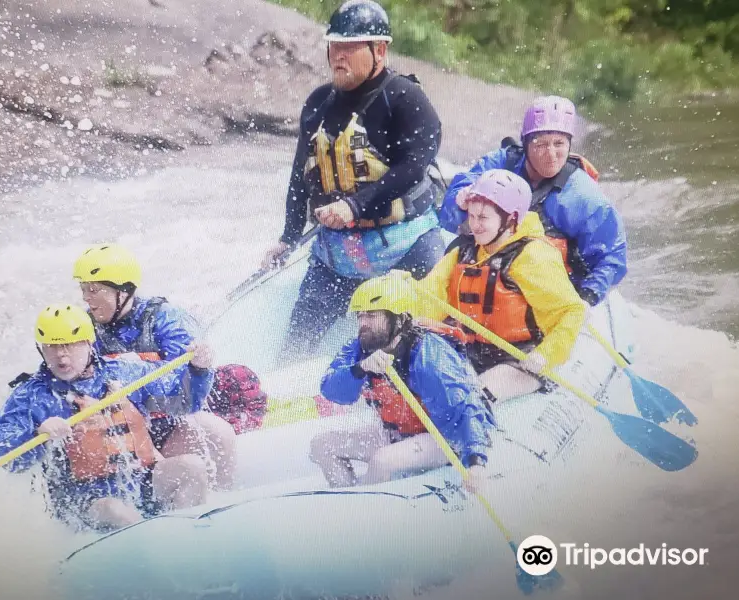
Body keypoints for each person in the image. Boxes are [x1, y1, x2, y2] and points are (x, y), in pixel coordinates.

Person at [260, 0, 449, 356]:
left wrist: (354, 205)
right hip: (339, 255)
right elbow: (301, 174)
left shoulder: (406, 99)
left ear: (379, 50)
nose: (338, 57)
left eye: (349, 48)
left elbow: (413, 167)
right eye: (334, 46)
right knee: (295, 346)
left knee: (428, 340)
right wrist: (288, 235)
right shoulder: (317, 103)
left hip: (405, 247)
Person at [0, 303, 215, 532]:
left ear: (88, 343)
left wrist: (198, 370)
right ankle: (150, 559)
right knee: (117, 511)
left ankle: (188, 542)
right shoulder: (31, 395)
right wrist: (36, 433)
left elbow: (185, 400)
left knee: (191, 468)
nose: (61, 355)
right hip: (81, 499)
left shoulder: (123, 372)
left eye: (69, 344)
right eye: (51, 346)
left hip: (138, 480)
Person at [72, 243, 238, 490]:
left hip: (165, 423)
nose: (86, 298)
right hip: (114, 432)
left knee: (218, 433)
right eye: (83, 290)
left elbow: (186, 398)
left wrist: (198, 369)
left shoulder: (167, 318)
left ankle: (222, 500)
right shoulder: (80, 328)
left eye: (94, 290)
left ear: (123, 291)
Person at [309, 274, 494, 492]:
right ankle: (347, 497)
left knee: (382, 461)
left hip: (443, 439)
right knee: (322, 446)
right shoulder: (361, 346)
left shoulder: (428, 353)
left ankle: (369, 511)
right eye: (360, 316)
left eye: (372, 315)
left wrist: (476, 461)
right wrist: (360, 369)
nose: (363, 323)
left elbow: (464, 408)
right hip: (396, 433)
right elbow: (332, 391)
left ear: (398, 318)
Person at [436, 95, 627, 307]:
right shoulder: (500, 163)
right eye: (541, 144)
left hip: (546, 296)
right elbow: (448, 216)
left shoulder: (582, 196)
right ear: (525, 144)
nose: (551, 154)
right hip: (490, 283)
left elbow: (611, 257)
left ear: (569, 144)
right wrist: (460, 201)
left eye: (559, 144)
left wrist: (587, 297)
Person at [419, 169, 587, 405]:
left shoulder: (533, 257)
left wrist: (545, 355)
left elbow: (572, 311)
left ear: (510, 219)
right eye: (472, 216)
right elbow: (428, 295)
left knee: (473, 398)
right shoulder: (464, 252)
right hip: (470, 351)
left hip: (520, 359)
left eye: (483, 218)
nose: (474, 225)